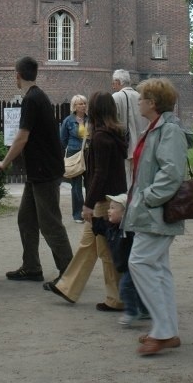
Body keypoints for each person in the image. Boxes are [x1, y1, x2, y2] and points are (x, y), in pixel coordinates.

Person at [124, 77, 193, 356]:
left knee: (140, 263)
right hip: (151, 210)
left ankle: (164, 331)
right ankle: (167, 330)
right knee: (159, 269)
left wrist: (148, 198)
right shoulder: (157, 127)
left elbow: (172, 173)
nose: (138, 102)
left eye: (141, 98)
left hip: (156, 211)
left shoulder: (168, 130)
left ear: (152, 103)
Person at [43, 91, 127, 310]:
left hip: (103, 200)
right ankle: (68, 287)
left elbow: (99, 174)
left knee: (105, 251)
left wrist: (88, 204)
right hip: (113, 196)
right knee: (87, 245)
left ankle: (117, 299)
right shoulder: (116, 132)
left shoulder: (100, 136)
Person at [0, 56, 73, 282]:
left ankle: (69, 274)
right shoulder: (38, 96)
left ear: (17, 75)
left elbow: (22, 138)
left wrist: (4, 163)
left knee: (50, 223)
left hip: (44, 171)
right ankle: (31, 267)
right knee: (26, 219)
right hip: (38, 172)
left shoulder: (31, 99)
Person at [91, 193, 151, 327]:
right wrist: (91, 218)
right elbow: (100, 227)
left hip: (135, 265)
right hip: (126, 266)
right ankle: (145, 310)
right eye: (109, 207)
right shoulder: (111, 227)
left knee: (125, 287)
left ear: (125, 214)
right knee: (137, 289)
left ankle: (131, 312)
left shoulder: (130, 230)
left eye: (113, 208)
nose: (108, 210)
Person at [112, 69, 146, 186]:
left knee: (126, 178)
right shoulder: (140, 97)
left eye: (113, 82)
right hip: (142, 144)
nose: (113, 86)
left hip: (124, 144)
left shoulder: (116, 97)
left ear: (118, 82)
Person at [60, 94, 88, 223]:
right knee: (76, 185)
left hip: (88, 153)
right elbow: (63, 139)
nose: (83, 106)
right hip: (74, 153)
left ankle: (90, 212)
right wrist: (70, 149)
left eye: (84, 103)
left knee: (90, 183)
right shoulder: (68, 121)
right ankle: (78, 214)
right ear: (74, 106)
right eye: (80, 103)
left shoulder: (91, 119)